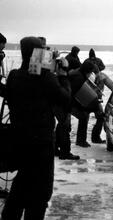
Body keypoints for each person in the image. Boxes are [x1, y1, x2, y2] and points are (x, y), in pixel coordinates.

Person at [1, 36, 71, 219]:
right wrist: (62, 75)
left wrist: (43, 64)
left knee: (21, 185)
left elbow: (31, 74)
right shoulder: (46, 79)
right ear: (38, 53)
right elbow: (66, 100)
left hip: (20, 141)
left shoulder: (15, 76)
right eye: (42, 49)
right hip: (41, 145)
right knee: (40, 193)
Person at [55, 60, 100, 153]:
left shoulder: (78, 73)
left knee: (64, 124)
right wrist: (81, 107)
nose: (91, 74)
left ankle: (57, 146)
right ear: (87, 71)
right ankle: (77, 142)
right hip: (65, 102)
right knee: (67, 123)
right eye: (90, 72)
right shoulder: (78, 78)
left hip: (63, 100)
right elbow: (73, 94)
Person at [83, 48, 113, 143]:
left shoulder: (86, 71)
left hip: (91, 100)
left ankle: (86, 139)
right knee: (98, 118)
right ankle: (93, 138)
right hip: (92, 100)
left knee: (87, 119)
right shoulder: (101, 75)